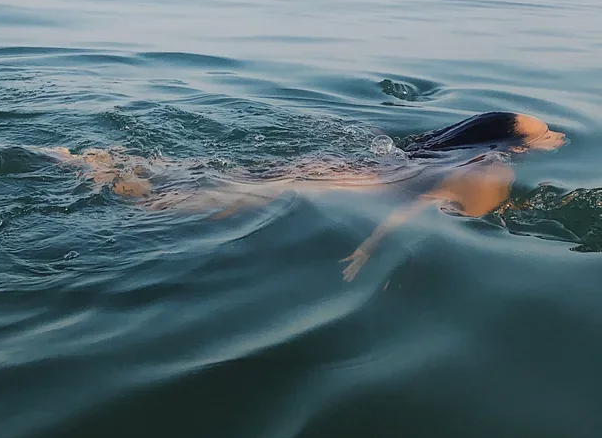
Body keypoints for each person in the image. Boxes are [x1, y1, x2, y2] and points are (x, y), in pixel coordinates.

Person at [41, 112, 566, 281]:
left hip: (327, 168)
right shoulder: (487, 168)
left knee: (181, 180)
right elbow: (424, 208)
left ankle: (103, 161)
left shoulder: (443, 153)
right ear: (507, 144)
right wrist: (369, 249)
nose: (556, 139)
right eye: (544, 135)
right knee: (153, 206)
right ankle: (87, 169)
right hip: (314, 184)